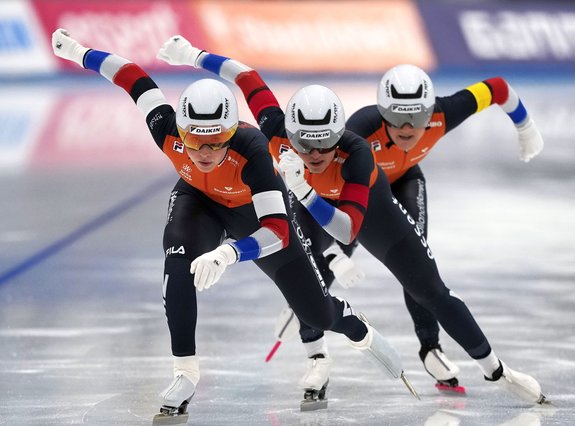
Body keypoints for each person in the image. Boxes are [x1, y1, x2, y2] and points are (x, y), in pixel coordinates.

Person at [156, 35, 548, 408]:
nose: (313, 154)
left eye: (325, 144)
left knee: (429, 289)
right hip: (310, 205)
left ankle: (496, 370)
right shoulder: (277, 131)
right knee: (304, 283)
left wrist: (525, 125)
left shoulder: (357, 149)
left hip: (366, 206)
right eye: (303, 144)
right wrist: (192, 55)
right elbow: (245, 76)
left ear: (339, 137)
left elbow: (348, 229)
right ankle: (318, 357)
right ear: (288, 134)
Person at [50, 29, 414, 419]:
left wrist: (229, 252)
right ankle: (185, 372)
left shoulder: (254, 150)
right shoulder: (166, 127)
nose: (205, 152)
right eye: (195, 141)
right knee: (178, 261)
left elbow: (276, 231)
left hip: (252, 213)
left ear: (231, 132)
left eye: (217, 140)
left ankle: (348, 321)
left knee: (316, 314)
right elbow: (134, 77)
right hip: (198, 201)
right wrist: (78, 51)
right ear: (181, 130)